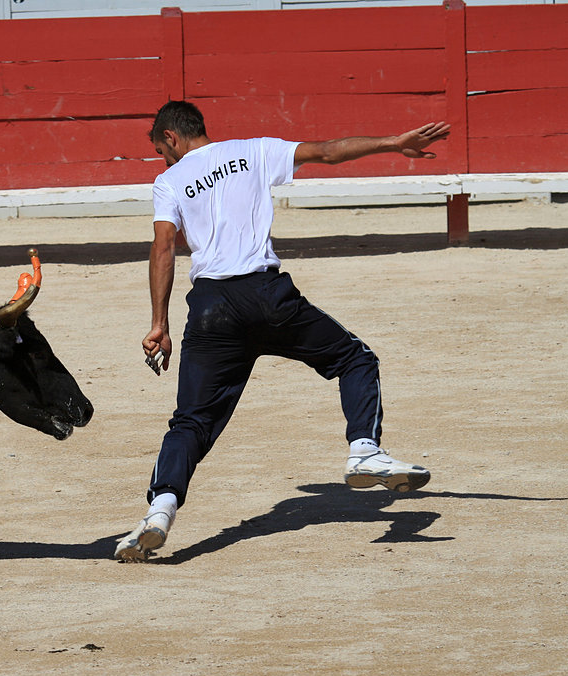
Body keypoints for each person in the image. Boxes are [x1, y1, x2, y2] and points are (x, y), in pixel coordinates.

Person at [115, 100, 450, 562]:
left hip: (211, 309)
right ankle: (364, 449)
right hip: (266, 296)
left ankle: (160, 511)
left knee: (192, 421)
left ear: (171, 137)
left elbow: (163, 246)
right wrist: (393, 143)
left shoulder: (169, 181)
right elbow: (329, 152)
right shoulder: (252, 151)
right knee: (354, 359)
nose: (162, 158)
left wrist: (159, 323)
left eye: (160, 149)